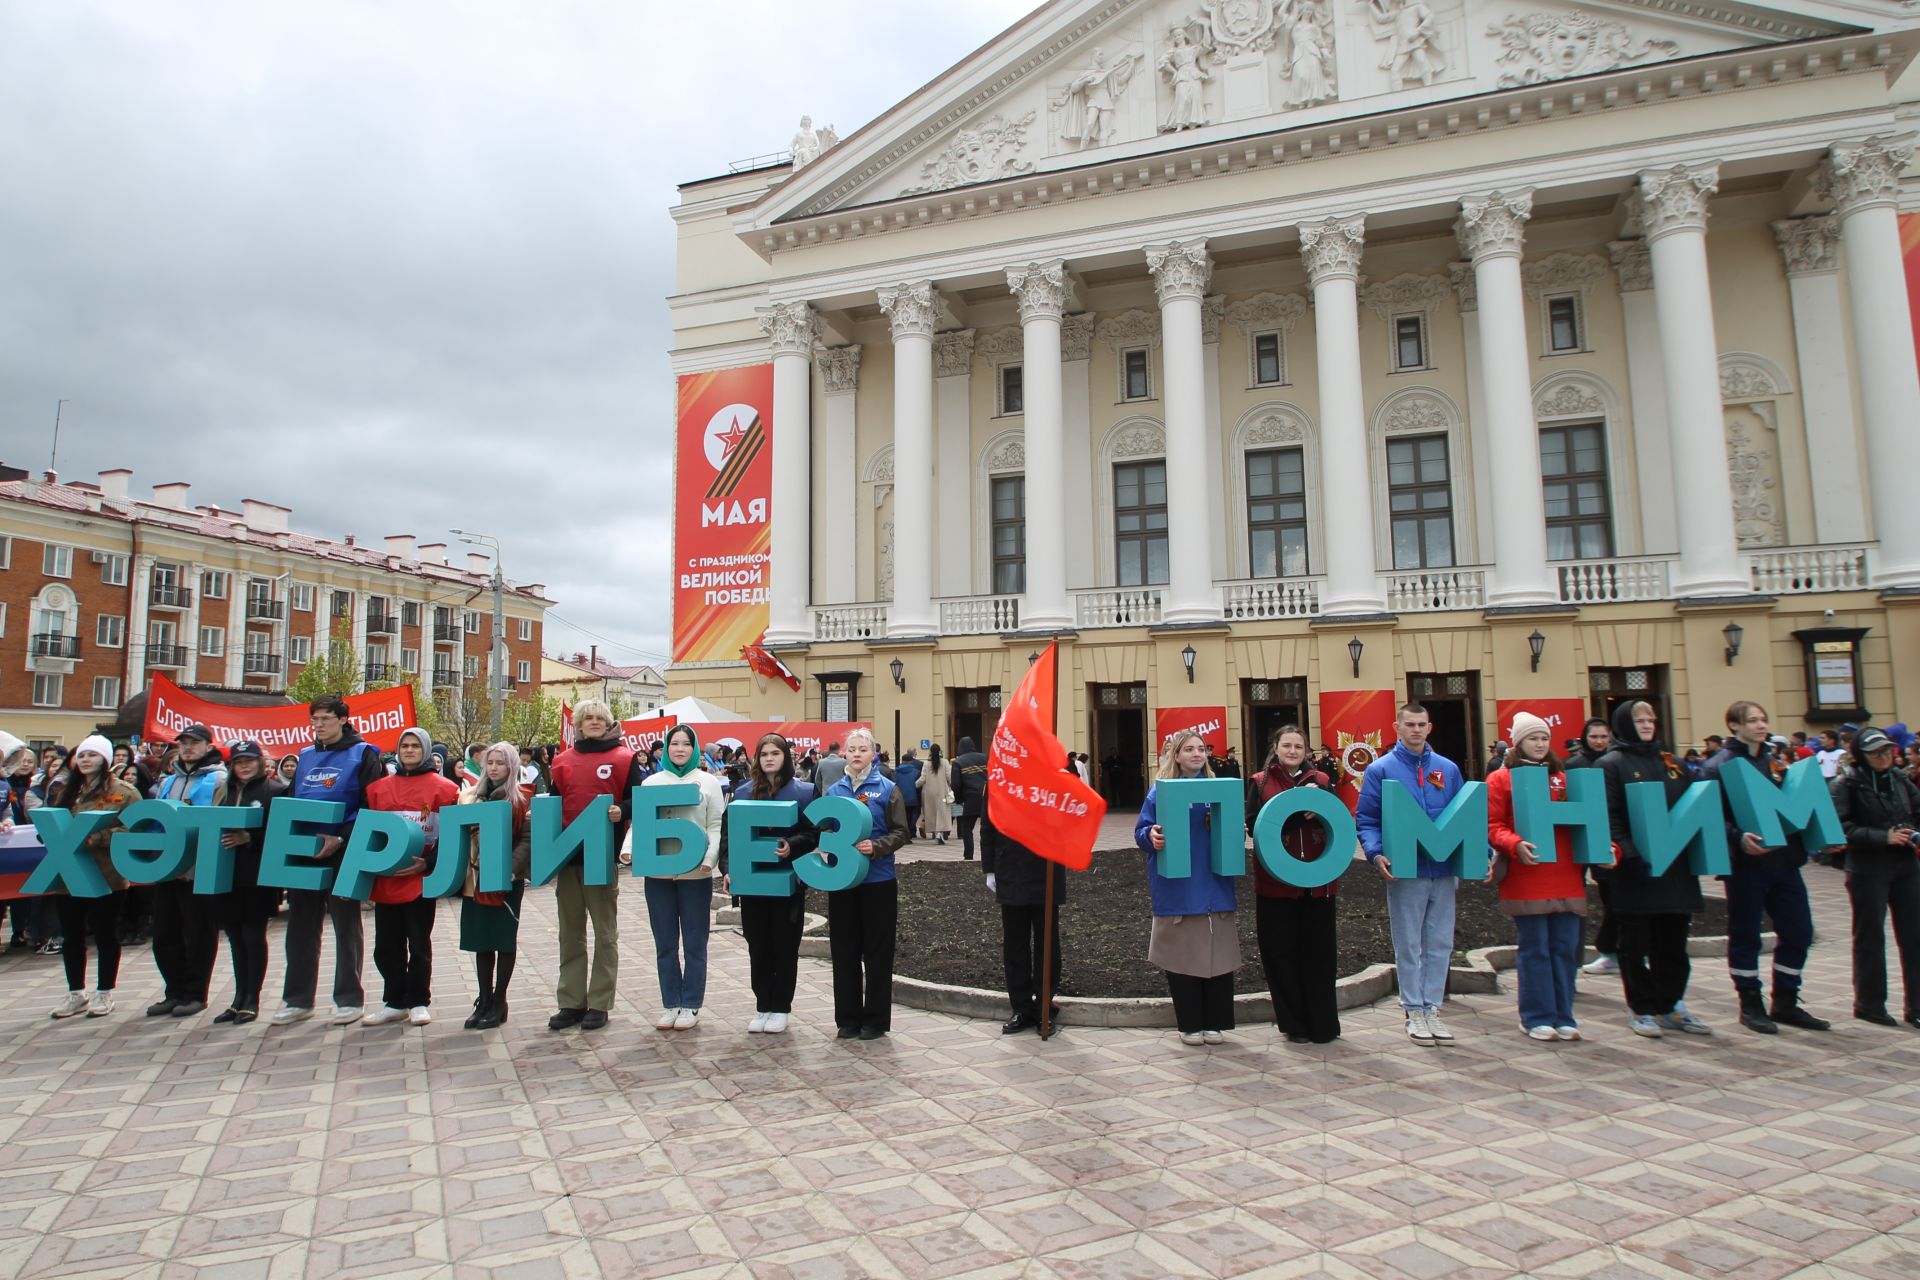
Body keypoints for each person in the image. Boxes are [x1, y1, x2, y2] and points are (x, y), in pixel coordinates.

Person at [1699, 702, 1830, 1035]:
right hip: (1746, 866)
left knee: (1799, 931)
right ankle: (1750, 1003)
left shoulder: (1774, 762)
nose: (1761, 725)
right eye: (1752, 720)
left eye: (1763, 719)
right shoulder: (1718, 766)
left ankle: (1786, 1000)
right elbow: (1710, 814)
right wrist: (1737, 837)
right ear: (1733, 726)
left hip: (1784, 864)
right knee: (1745, 934)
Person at [1357, 703, 1467, 1047]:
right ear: (1397, 727)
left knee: (1440, 942)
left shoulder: (1447, 770)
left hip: (1444, 868)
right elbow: (1368, 818)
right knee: (1409, 942)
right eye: (1410, 724)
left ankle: (1432, 1006)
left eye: (1421, 724)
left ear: (1429, 728)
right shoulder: (1381, 770)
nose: (1416, 730)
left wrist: (1482, 852)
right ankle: (1413, 1009)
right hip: (1407, 870)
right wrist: (1375, 853)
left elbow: (1465, 814)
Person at [1599, 699, 1710, 1037]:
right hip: (1635, 875)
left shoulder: (1673, 763)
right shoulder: (1612, 765)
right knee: (1634, 944)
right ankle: (1642, 1007)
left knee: (1674, 943)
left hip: (1675, 872)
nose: (1647, 725)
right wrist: (1630, 855)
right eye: (1640, 720)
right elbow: (1609, 815)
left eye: (1651, 719)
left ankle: (1671, 1004)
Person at [272, 695, 383, 1026]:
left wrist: (342, 838)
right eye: (314, 719)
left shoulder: (364, 754)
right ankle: (297, 999)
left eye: (325, 718)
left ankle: (349, 998)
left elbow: (370, 803)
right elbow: (292, 801)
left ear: (343, 720)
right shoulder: (305, 756)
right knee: (300, 925)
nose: (319, 725)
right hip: (305, 851)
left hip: (342, 851)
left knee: (346, 924)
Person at [1487, 714, 1599, 1042]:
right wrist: (1515, 844)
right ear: (1519, 741)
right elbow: (1493, 826)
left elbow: (1586, 821)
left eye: (1544, 738)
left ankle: (1564, 1014)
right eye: (1533, 738)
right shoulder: (1502, 778)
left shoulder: (1564, 778)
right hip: (1528, 875)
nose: (1539, 744)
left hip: (1565, 876)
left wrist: (1604, 849)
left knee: (1565, 947)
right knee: (1535, 947)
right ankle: (1535, 1015)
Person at [547, 699, 646, 1032]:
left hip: (601, 857)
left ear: (608, 723)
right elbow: (553, 803)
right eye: (587, 718)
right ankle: (571, 1001)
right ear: (577, 724)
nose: (593, 722)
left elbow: (640, 798)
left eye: (598, 718)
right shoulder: (561, 762)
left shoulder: (624, 758)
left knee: (605, 934)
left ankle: (600, 1003)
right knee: (569, 934)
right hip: (567, 857)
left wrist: (622, 808)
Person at [1138, 729, 1237, 1045]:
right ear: (1176, 755)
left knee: (1218, 957)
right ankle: (1190, 1024)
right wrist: (1150, 836)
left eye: (1201, 749)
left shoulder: (1218, 791)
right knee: (1183, 959)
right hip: (1181, 891)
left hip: (1215, 889)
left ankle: (1216, 1022)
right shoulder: (1159, 793)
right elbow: (1142, 830)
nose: (1197, 754)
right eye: (1189, 749)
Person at [1245, 726, 1340, 1044]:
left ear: (1307, 751)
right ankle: (1294, 1024)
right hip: (1276, 885)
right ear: (1275, 747)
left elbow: (1337, 823)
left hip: (1318, 886)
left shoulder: (1323, 782)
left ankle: (1323, 1024)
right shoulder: (1259, 782)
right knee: (1280, 955)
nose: (1292, 750)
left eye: (1299, 746)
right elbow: (1254, 826)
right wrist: (1299, 815)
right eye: (1286, 744)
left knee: (1319, 956)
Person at [718, 732, 817, 1033]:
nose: (770, 758)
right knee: (757, 945)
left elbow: (815, 834)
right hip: (752, 884)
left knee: (785, 946)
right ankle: (763, 1005)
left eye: (776, 753)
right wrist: (727, 868)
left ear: (786, 756)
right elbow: (728, 837)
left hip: (788, 882)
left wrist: (792, 844)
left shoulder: (804, 792)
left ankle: (781, 1007)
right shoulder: (743, 792)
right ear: (757, 759)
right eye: (764, 754)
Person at [361, 727, 459, 1027]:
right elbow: (369, 835)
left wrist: (427, 862)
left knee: (418, 944)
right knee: (386, 945)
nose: (409, 750)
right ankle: (394, 1000)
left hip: (420, 879)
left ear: (426, 751)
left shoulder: (445, 789)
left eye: (416, 746)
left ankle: (418, 1000)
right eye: (405, 745)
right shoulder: (377, 789)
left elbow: (451, 835)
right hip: (387, 879)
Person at [824, 728, 912, 1040]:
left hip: (878, 881)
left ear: (873, 754)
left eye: (863, 749)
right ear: (844, 754)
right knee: (844, 950)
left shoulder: (888, 789)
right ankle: (847, 1019)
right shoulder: (834, 791)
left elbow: (902, 831)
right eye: (852, 749)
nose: (857, 754)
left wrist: (878, 846)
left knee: (878, 951)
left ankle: (875, 1020)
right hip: (843, 882)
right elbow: (823, 830)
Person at [45, 736, 142, 1018]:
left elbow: (136, 829)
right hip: (70, 875)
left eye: (92, 755)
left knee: (105, 934)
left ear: (106, 759)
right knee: (72, 935)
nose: (85, 760)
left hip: (106, 874)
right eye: (81, 755)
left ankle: (104, 992)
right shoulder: (67, 790)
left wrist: (98, 837)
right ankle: (76, 992)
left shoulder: (124, 792)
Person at [1830, 726, 1920, 1028]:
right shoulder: (1847, 784)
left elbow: (1917, 811)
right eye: (1875, 752)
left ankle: (1916, 1006)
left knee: (1914, 936)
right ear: (1861, 755)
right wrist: (1883, 837)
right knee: (1870, 936)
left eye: (1887, 751)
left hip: (1905, 865)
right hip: (1868, 867)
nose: (1883, 757)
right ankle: (1869, 1003)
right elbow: (1842, 827)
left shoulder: (1900, 779)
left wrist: (1913, 834)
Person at [640, 724, 724, 1031]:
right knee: (664, 942)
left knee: (694, 942)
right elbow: (641, 824)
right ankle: (670, 1003)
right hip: (658, 874)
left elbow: (715, 825)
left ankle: (691, 1004)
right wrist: (628, 851)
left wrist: (709, 859)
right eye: (674, 744)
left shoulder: (708, 783)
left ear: (695, 748)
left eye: (686, 744)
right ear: (665, 748)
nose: (679, 749)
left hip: (695, 876)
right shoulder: (651, 783)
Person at [148, 725, 227, 1019]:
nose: (188, 747)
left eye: (195, 742)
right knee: (165, 934)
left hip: (200, 867)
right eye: (184, 743)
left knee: (199, 933)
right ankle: (173, 990)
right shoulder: (169, 781)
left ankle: (195, 993)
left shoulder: (219, 779)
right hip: (169, 867)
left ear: (208, 746)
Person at [457, 741, 532, 1030]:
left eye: (500, 763)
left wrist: (509, 870)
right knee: (481, 941)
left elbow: (526, 840)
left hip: (505, 881)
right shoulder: (469, 797)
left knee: (503, 939)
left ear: (511, 766)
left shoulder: (521, 799)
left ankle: (500, 1000)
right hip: (475, 880)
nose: (494, 768)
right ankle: (484, 998)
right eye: (490, 762)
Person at [981, 780, 1066, 1035]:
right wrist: (990, 868)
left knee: (1046, 944)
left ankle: (1043, 1006)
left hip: (1045, 868)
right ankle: (1020, 1007)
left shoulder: (1052, 775)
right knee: (1015, 943)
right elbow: (988, 825)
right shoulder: (998, 779)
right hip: (1011, 869)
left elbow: (1065, 816)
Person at [211, 740, 285, 1025]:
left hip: (257, 876)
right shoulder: (224, 791)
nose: (243, 765)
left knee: (253, 936)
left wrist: (250, 838)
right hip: (226, 875)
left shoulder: (274, 791)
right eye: (238, 761)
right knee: (235, 938)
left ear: (260, 763)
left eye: (249, 760)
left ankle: (252, 998)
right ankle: (237, 997)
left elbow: (281, 833)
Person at [1568, 718, 1619, 975]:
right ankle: (1573, 962)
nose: (1599, 741)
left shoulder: (1616, 763)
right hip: (1577, 841)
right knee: (1575, 902)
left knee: (1615, 898)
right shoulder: (1574, 765)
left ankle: (1611, 950)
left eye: (1603, 736)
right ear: (1584, 738)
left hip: (1608, 841)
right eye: (1594, 737)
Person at [952, 736, 988, 861]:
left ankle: (968, 856)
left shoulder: (958, 762)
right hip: (987, 797)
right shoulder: (985, 757)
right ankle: (987, 856)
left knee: (967, 829)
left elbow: (956, 784)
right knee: (987, 829)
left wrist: (959, 799)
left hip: (971, 798)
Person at [920, 744, 953, 846]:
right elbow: (949, 777)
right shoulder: (945, 762)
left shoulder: (926, 763)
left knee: (933, 813)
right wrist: (953, 786)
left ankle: (936, 833)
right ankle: (940, 833)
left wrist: (915, 784)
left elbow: (923, 778)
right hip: (942, 792)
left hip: (930, 793)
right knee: (942, 813)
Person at [893, 749, 923, 840]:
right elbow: (919, 786)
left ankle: (905, 834)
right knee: (912, 815)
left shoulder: (895, 772)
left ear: (902, 761)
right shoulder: (917, 772)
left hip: (900, 798)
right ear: (911, 761)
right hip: (913, 798)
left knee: (903, 816)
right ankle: (911, 832)